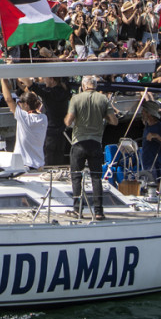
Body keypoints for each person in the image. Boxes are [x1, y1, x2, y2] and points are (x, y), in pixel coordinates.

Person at [64, 75, 119, 219]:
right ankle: (99, 211)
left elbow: (68, 121)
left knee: (76, 177)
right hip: (95, 142)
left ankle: (77, 209)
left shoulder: (76, 99)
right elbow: (114, 121)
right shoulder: (103, 99)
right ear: (95, 86)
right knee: (96, 178)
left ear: (83, 85)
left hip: (79, 142)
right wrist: (103, 116)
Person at [0, 79, 46, 169]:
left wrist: (3, 80)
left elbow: (8, 99)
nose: (19, 106)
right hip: (39, 164)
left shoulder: (24, 117)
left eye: (20, 104)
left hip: (24, 165)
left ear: (26, 105)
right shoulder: (44, 118)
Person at [139, 100, 161, 181]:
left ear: (149, 113)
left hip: (155, 165)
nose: (142, 112)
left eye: (143, 111)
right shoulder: (147, 124)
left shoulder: (159, 127)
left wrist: (156, 136)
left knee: (153, 187)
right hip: (146, 163)